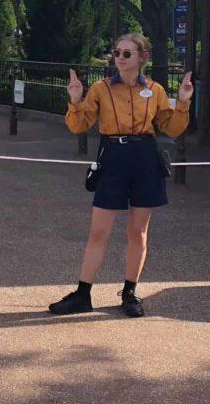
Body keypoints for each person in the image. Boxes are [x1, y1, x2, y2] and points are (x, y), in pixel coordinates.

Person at [51, 33, 193, 318]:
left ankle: (129, 293)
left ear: (142, 57)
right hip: (113, 157)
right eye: (117, 52)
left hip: (145, 158)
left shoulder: (155, 89)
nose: (119, 58)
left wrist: (183, 102)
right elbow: (79, 126)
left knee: (138, 231)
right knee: (98, 231)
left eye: (127, 53)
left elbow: (172, 128)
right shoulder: (101, 89)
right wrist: (75, 100)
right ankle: (82, 294)